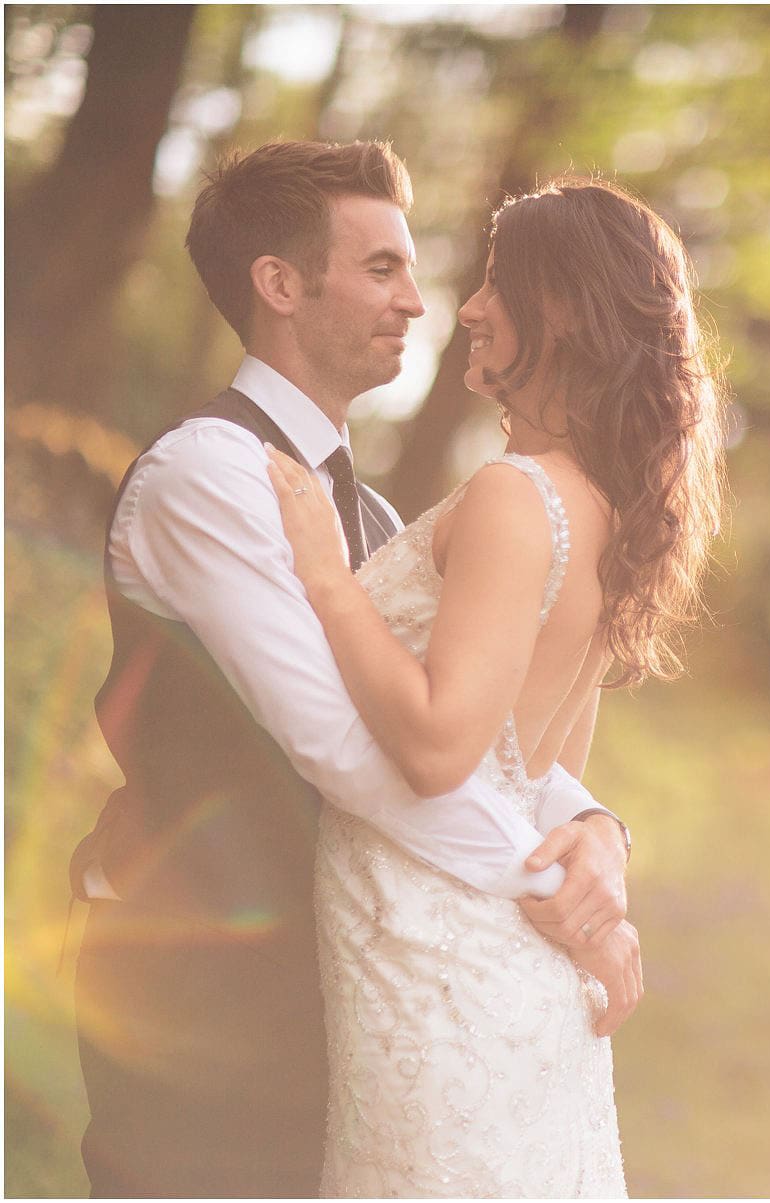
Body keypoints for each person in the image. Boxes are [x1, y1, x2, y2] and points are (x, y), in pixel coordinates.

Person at [68, 140, 641, 1198]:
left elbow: (499, 742)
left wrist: (602, 837)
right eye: (380, 268)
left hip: (342, 987)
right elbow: (347, 749)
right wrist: (556, 894)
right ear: (281, 285)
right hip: (198, 986)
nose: (421, 304)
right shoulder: (210, 476)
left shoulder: (368, 517)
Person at [263, 174, 726, 1196]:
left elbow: (441, 749)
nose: (466, 308)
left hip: (434, 961)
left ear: (560, 309)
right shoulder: (605, 512)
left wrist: (327, 579)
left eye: (495, 284)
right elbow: (547, 771)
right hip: (501, 963)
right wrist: (603, 840)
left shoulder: (521, 498)